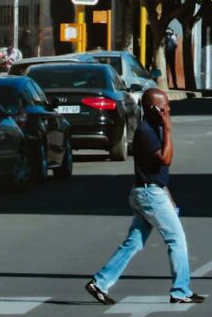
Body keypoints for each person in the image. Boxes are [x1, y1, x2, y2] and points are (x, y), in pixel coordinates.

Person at [85, 89, 205, 306]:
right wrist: (168, 130)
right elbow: (165, 160)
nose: (168, 110)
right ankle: (180, 291)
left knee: (133, 243)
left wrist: (167, 195)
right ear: (152, 109)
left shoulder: (152, 127)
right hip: (149, 194)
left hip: (150, 192)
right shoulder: (146, 131)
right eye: (164, 107)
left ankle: (100, 282)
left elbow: (156, 172)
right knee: (176, 239)